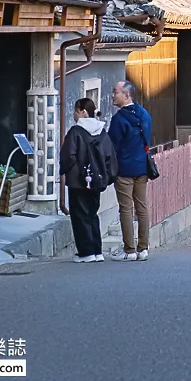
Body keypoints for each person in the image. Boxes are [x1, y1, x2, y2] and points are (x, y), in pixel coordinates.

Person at [60, 98, 117, 263]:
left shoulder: (75, 132)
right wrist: (107, 176)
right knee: (92, 213)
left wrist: (64, 170)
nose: (74, 114)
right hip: (96, 180)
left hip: (78, 181)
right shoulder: (102, 131)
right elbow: (110, 156)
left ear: (84, 112)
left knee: (79, 215)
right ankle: (97, 250)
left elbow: (68, 156)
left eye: (76, 111)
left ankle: (86, 252)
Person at [107, 81, 153, 262]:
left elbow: (112, 146)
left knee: (126, 209)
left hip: (124, 169)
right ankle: (143, 249)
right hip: (142, 167)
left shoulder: (119, 119)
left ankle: (129, 249)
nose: (112, 95)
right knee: (142, 207)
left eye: (115, 92)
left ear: (127, 96)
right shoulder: (144, 115)